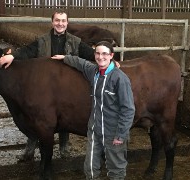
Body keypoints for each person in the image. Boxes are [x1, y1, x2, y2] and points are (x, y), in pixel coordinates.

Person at [0, 9, 95, 161]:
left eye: (63, 21)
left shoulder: (75, 42)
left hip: (66, 88)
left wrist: (107, 57)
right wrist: (12, 55)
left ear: (67, 23)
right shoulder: (42, 40)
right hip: (45, 90)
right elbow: (27, 51)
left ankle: (64, 149)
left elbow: (91, 54)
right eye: (57, 20)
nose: (60, 24)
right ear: (52, 22)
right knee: (37, 118)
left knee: (65, 117)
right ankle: (29, 150)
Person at [51, 41, 135, 180]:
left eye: (104, 54)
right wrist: (65, 58)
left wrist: (120, 135)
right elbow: (81, 63)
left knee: (116, 169)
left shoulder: (120, 78)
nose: (100, 57)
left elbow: (128, 110)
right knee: (90, 167)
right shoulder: (94, 71)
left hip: (113, 132)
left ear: (111, 55)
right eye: (97, 53)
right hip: (95, 130)